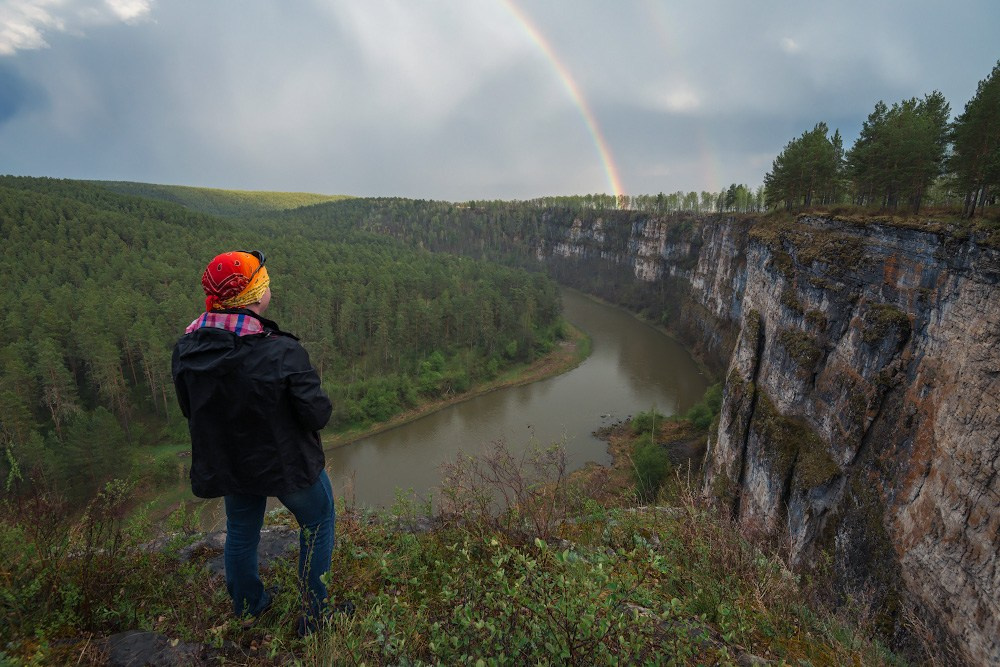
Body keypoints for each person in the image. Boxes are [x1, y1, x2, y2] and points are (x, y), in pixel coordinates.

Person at [171, 250, 346, 635]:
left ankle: (250, 607)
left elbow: (191, 410)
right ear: (254, 296)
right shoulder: (281, 351)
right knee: (318, 523)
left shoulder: (187, 349)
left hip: (231, 464)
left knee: (241, 531)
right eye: (264, 282)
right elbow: (317, 415)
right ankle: (316, 617)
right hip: (288, 464)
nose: (270, 288)